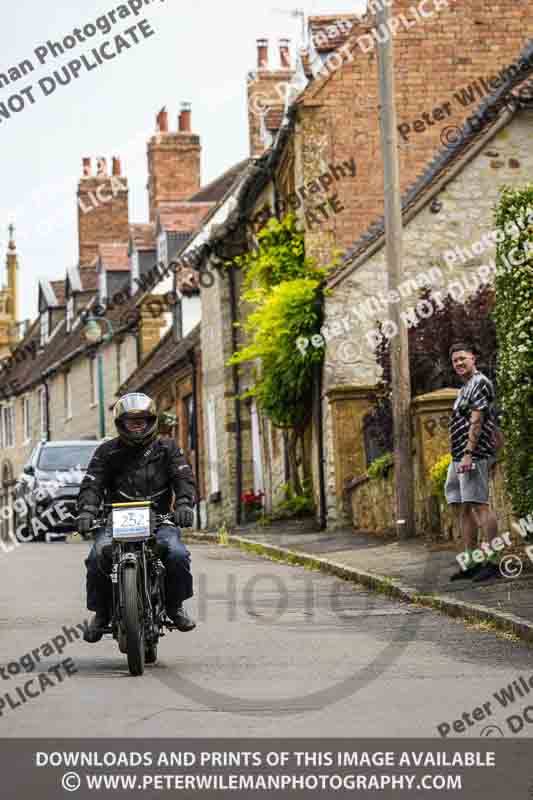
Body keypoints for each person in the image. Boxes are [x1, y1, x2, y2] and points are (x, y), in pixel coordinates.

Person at [78, 392, 197, 642]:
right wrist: (87, 511)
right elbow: (92, 484)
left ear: (151, 421)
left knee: (177, 554)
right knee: (96, 556)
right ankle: (101, 613)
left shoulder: (168, 449)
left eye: (142, 420)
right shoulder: (106, 452)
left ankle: (175, 607)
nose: (137, 426)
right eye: (132, 421)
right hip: (114, 521)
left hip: (160, 519)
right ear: (121, 424)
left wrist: (184, 505)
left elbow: (183, 478)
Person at [446, 343, 501, 583]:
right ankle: (470, 562)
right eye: (455, 361)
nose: (458, 363)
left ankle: (493, 561)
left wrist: (469, 452)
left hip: (474, 454)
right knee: (462, 507)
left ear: (473, 358)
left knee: (479, 505)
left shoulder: (479, 382)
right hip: (458, 456)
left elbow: (477, 420)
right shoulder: (464, 388)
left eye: (462, 359)